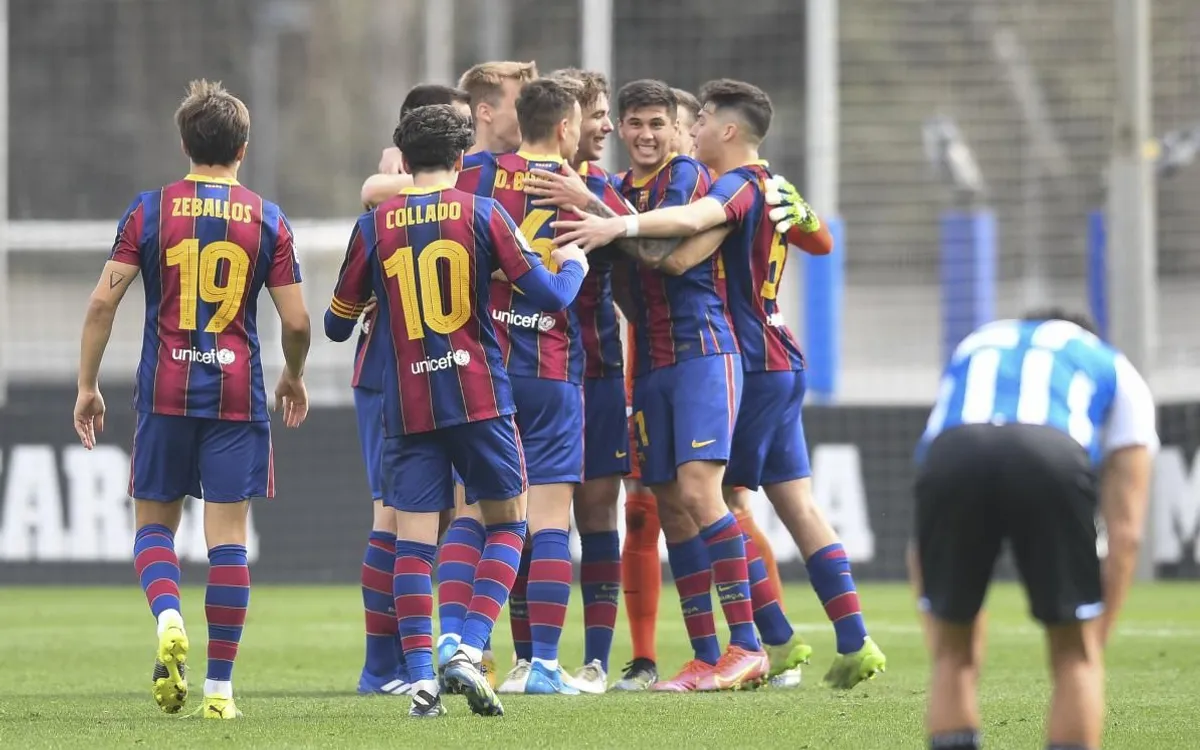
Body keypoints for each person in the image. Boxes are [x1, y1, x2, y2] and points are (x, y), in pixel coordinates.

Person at [551, 78, 888, 689]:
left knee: (714, 500)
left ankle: (763, 644)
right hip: (741, 355)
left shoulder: (727, 184)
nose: (684, 130)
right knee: (755, 504)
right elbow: (819, 239)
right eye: (629, 121)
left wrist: (611, 224)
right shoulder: (755, 183)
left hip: (736, 356)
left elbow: (675, 255)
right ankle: (843, 640)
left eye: (691, 121)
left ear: (712, 131)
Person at [324, 103, 588, 718]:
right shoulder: (484, 212)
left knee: (412, 543)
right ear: (463, 158)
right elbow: (548, 298)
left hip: (409, 401)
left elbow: (339, 325)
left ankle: (419, 678)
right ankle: (467, 647)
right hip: (480, 396)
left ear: (403, 156)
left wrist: (381, 305)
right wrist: (572, 264)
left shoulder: (375, 224)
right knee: (510, 524)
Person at [72, 79, 311, 720]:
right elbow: (295, 322)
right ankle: (219, 694)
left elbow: (102, 302)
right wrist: (292, 373)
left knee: (153, 526)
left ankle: (170, 615)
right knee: (228, 539)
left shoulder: (149, 211)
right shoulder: (268, 218)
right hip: (236, 395)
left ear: (184, 143)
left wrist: (87, 385)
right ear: (244, 146)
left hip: (165, 393)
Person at [542, 78, 770, 692]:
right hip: (651, 365)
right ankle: (704, 654)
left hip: (703, 352)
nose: (645, 136)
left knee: (702, 494)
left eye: (657, 125)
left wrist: (602, 215)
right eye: (634, 124)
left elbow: (666, 254)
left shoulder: (689, 180)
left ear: (677, 128)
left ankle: (750, 644)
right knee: (670, 505)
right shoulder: (616, 189)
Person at [912, 310, 1156, 750]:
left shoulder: (976, 344)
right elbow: (1127, 532)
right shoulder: (1110, 363)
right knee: (1073, 658)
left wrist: (940, 629)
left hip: (957, 452)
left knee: (954, 654)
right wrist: (1093, 643)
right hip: (1051, 453)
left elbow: (926, 493)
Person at [346, 83, 474, 699]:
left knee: (440, 516)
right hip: (390, 373)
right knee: (396, 514)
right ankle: (383, 667)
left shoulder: (447, 189)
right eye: (459, 127)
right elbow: (373, 192)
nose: (466, 138)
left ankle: (426, 657)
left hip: (443, 369)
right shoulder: (412, 191)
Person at [361, 61, 538, 204]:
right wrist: (404, 150)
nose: (532, 116)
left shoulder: (536, 165)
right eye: (521, 107)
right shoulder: (454, 170)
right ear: (485, 113)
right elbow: (372, 191)